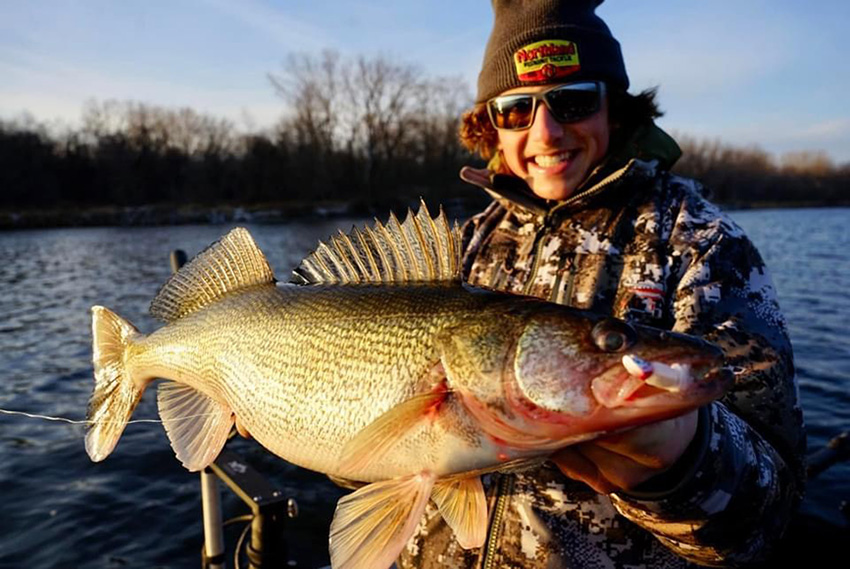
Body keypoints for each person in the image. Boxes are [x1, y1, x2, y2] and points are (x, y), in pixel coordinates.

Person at [397, 0, 806, 567]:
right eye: (515, 110)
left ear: (615, 110)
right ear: (490, 126)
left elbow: (768, 518)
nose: (545, 132)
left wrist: (682, 462)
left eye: (573, 101)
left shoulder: (703, 243)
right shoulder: (460, 247)